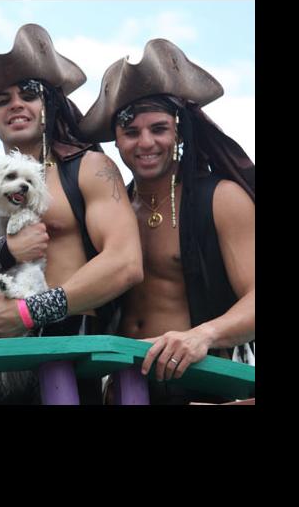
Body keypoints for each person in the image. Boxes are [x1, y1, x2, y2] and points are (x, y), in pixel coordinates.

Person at [0, 24, 143, 404]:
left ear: (49, 107)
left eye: (29, 94)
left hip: (67, 355)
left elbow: (125, 263)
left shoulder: (90, 169)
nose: (16, 104)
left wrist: (31, 311)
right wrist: (2, 252)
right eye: (2, 100)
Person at [78, 38, 255, 404]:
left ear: (179, 133)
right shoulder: (111, 211)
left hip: (203, 383)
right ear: (116, 141)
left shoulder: (222, 198)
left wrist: (203, 334)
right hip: (124, 386)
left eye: (158, 129)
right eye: (131, 132)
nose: (145, 142)